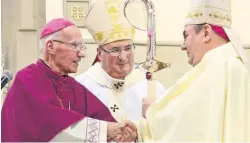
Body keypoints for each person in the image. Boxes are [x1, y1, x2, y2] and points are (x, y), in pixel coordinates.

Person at [1, 18, 137, 142]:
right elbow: (49, 123)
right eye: (75, 46)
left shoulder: (73, 86)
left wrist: (120, 133)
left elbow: (102, 117)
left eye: (82, 47)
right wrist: (106, 130)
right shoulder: (27, 78)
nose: (82, 54)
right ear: (50, 47)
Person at [139, 0, 250, 142]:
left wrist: (151, 112)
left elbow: (184, 124)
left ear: (206, 32)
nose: (183, 46)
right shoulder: (233, 65)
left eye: (186, 36)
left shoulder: (217, 67)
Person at [75, 0, 166, 124]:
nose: (123, 57)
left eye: (128, 48)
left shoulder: (151, 87)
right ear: (100, 53)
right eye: (115, 50)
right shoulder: (81, 88)